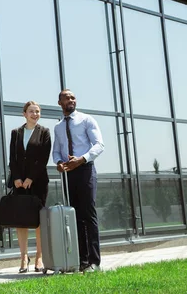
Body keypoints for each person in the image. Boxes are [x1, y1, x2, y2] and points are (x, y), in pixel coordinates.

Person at [53, 89, 104, 273]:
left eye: (73, 97)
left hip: (85, 170)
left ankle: (94, 262)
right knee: (75, 217)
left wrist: (81, 159)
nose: (71, 100)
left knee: (89, 215)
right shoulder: (58, 127)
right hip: (69, 174)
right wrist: (59, 163)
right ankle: (82, 261)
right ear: (60, 102)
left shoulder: (86, 120)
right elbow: (56, 151)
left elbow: (99, 145)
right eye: (67, 98)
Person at [8, 101, 51, 273]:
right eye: (31, 111)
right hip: (19, 183)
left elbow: (43, 158)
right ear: (24, 114)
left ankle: (39, 257)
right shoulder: (16, 133)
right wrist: (17, 177)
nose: (35, 114)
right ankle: (23, 257)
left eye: (38, 111)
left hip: (38, 182)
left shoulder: (45, 132)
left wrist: (31, 178)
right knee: (21, 221)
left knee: (38, 220)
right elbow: (12, 157)